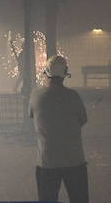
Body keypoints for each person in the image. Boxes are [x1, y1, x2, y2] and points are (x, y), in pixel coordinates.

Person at [28, 54, 89, 203]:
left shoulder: (36, 95)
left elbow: (32, 116)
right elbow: (83, 120)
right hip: (74, 160)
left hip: (47, 161)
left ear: (47, 72)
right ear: (65, 72)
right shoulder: (73, 96)